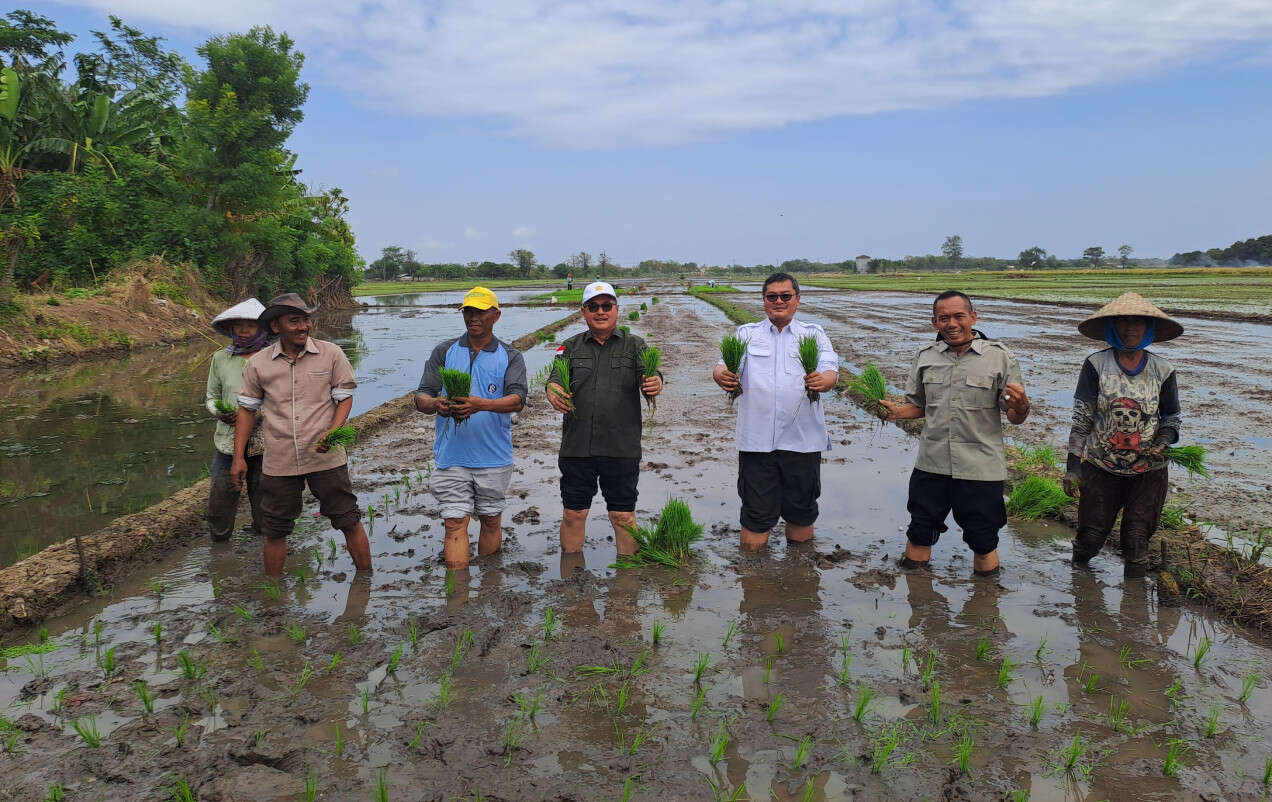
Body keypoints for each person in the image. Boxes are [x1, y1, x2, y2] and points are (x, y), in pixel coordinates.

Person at [880, 291, 1031, 576]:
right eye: (944, 318)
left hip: (980, 467)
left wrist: (1022, 407)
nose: (952, 323)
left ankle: (984, 606)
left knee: (983, 537)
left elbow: (1014, 415)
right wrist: (898, 412)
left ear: (973, 317)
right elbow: (919, 406)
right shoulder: (926, 357)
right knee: (920, 529)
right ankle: (917, 599)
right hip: (932, 463)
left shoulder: (1000, 358)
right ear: (934, 322)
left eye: (959, 316)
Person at [231, 293, 372, 577]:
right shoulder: (258, 364)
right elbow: (246, 411)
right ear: (275, 327)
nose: (303, 326)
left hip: (325, 458)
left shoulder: (331, 354)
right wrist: (238, 458)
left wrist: (332, 433)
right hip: (279, 460)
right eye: (294, 321)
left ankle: (366, 581)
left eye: (305, 320)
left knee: (348, 518)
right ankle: (274, 593)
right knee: (274, 528)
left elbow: (343, 398)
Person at [712, 273, 839, 550]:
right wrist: (722, 375)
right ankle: (755, 579)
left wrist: (823, 381)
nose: (779, 301)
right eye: (772, 297)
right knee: (756, 514)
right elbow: (722, 365)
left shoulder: (814, 334)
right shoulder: (746, 334)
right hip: (757, 443)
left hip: (803, 442)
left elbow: (831, 371)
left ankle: (800, 576)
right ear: (764, 301)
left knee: (802, 512)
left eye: (785, 296)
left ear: (797, 299)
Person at [1063, 292, 1182, 577]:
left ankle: (1136, 609)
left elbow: (1171, 416)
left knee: (1137, 540)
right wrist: (1072, 469)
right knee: (1090, 537)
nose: (1131, 328)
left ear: (1149, 328)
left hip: (1148, 471)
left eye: (1138, 322)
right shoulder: (1096, 365)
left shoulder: (1163, 370)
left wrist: (1163, 442)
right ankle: (1080, 585)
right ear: (1112, 327)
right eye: (1123, 322)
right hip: (1101, 466)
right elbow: (1082, 420)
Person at [545, 281, 663, 558]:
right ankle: (572, 581)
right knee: (574, 513)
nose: (600, 312)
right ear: (583, 311)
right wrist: (552, 391)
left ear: (616, 309)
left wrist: (656, 383)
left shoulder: (635, 345)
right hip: (577, 447)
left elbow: (654, 375)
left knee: (623, 515)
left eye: (606, 306)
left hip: (620, 446)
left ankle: (627, 584)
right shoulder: (569, 347)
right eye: (593, 307)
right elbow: (553, 380)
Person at [414, 287, 527, 570]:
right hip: (452, 456)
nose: (473, 317)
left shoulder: (510, 356)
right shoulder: (444, 351)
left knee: (490, 520)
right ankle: (457, 593)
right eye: (468, 311)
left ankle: (489, 586)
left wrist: (481, 404)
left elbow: (517, 399)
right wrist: (435, 404)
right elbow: (421, 395)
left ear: (496, 315)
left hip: (494, 457)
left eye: (480, 311)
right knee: (454, 522)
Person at [205, 298, 269, 541]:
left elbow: (287, 399)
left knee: (265, 501)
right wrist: (218, 411)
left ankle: (264, 543)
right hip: (227, 442)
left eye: (250, 326)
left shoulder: (273, 357)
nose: (243, 331)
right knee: (220, 498)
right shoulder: (221, 359)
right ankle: (220, 545)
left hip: (266, 443)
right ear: (231, 328)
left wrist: (257, 415)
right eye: (238, 325)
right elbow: (211, 396)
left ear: (261, 328)